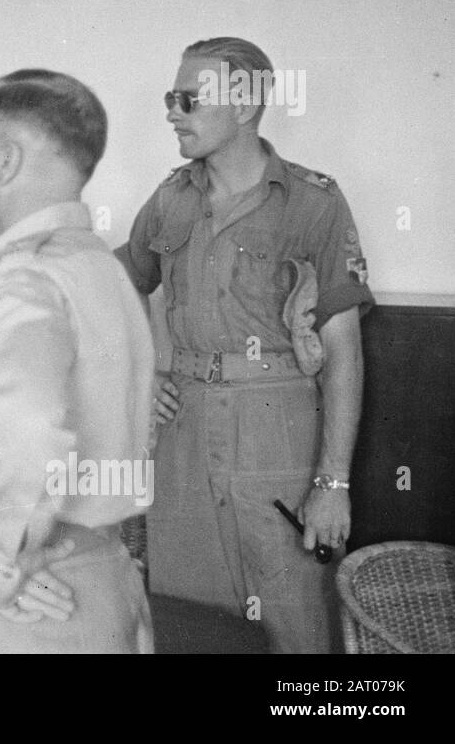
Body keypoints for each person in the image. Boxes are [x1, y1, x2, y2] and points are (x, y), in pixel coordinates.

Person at [115, 37, 371, 653]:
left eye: (188, 99)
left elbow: (344, 353)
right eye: (169, 99)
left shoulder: (313, 202)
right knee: (189, 619)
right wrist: (148, 372)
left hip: (276, 431)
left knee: (294, 618)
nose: (173, 111)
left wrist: (332, 484)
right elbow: (122, 284)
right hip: (183, 434)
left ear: (247, 103)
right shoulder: (171, 198)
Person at [0, 69, 156, 654]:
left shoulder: (25, 277)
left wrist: (1, 557)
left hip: (11, 606)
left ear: (6, 161)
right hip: (97, 580)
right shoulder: (99, 268)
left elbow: (30, 418)